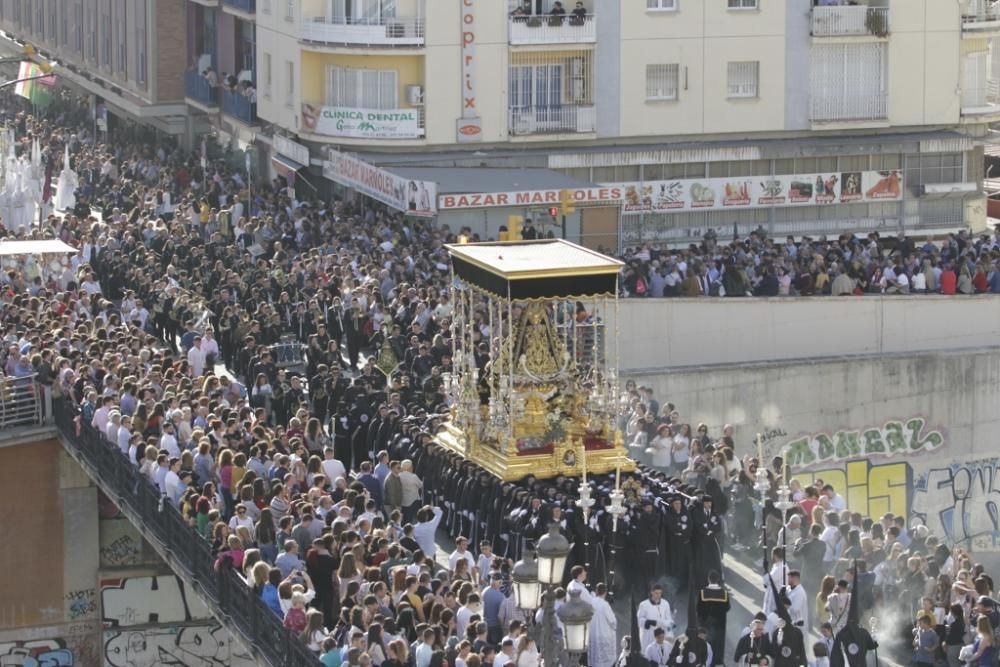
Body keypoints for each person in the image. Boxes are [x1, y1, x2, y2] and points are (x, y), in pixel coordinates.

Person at [697, 570, 730, 666]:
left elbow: (698, 609)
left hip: (705, 625)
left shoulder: (702, 593)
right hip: (719, 625)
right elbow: (727, 608)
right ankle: (717, 662)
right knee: (717, 644)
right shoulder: (724, 594)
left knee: (706, 644)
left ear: (708, 579)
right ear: (718, 580)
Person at [588, 582, 617, 667]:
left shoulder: (591, 602)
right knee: (604, 662)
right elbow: (613, 621)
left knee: (594, 659)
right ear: (605, 592)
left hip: (592, 635)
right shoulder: (605, 605)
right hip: (603, 636)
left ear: (596, 591)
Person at [638, 584, 675, 650]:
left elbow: (669, 620)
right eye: (656, 593)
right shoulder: (644, 605)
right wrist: (649, 622)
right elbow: (639, 620)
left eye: (660, 593)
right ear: (651, 592)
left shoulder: (665, 603)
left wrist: (669, 635)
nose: (658, 595)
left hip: (661, 635)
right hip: (648, 635)